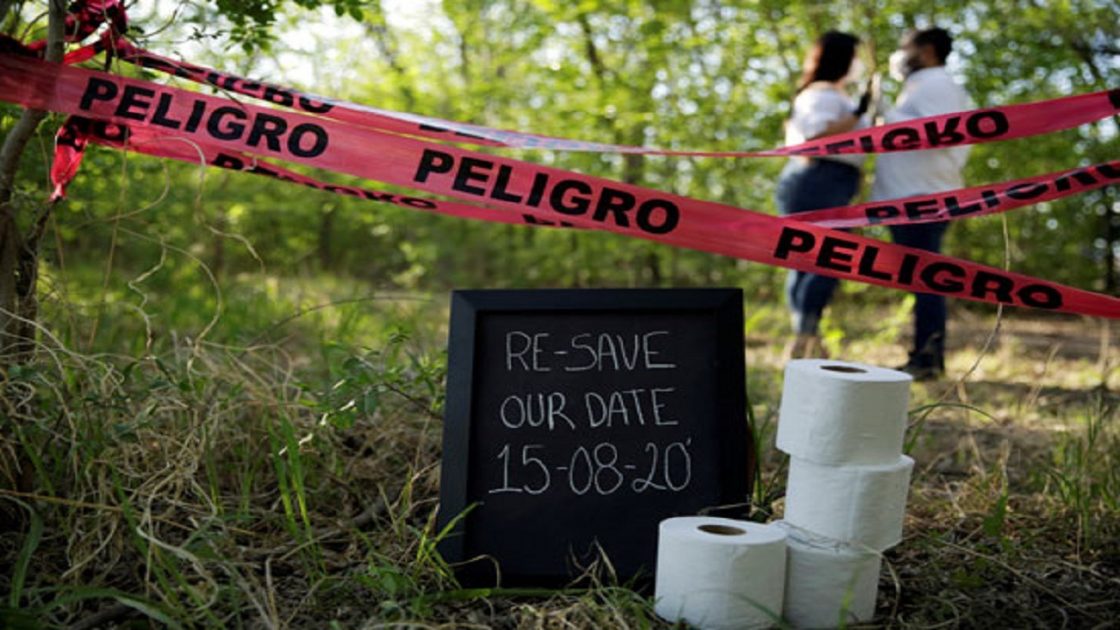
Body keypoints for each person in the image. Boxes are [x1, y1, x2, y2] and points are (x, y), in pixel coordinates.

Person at [872, 28, 972, 380]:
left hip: (922, 198)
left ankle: (928, 357)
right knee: (920, 278)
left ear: (927, 51)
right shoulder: (921, 86)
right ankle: (925, 354)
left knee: (926, 279)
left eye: (906, 48)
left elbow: (936, 134)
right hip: (910, 196)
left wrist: (884, 111)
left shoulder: (937, 85)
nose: (900, 55)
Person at [776, 31, 873, 359]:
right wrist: (859, 113)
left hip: (826, 179)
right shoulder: (821, 94)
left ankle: (807, 336)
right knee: (826, 258)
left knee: (807, 261)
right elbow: (816, 134)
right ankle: (805, 335)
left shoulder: (830, 94)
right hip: (819, 177)